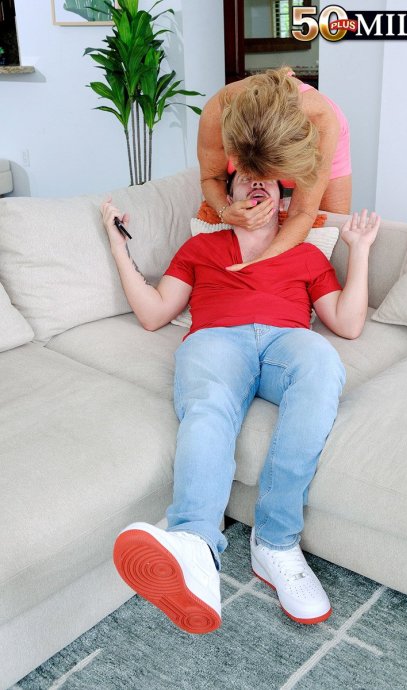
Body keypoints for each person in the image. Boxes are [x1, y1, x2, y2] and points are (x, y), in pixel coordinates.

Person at [101, 174, 380, 635]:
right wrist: (118, 247)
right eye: (245, 179)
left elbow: (348, 325)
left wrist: (361, 249)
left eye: (266, 180)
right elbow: (153, 314)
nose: (256, 185)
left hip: (288, 341)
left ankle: (275, 543)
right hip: (217, 340)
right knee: (208, 404)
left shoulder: (305, 253)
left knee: (322, 364)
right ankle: (195, 544)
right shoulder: (201, 248)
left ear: (282, 200)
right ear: (226, 197)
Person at [197, 67, 352, 270]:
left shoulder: (323, 120)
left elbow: (303, 211)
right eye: (248, 176)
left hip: (319, 134)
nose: (259, 183)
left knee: (330, 227)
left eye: (271, 176)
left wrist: (260, 264)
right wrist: (224, 211)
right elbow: (211, 177)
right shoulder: (217, 111)